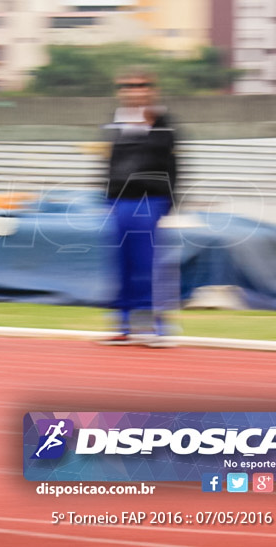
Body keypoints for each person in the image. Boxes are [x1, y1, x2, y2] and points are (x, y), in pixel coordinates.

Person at [101, 67, 179, 346]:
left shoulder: (162, 121)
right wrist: (107, 195)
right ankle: (123, 325)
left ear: (151, 89)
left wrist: (170, 201)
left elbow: (173, 165)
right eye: (128, 86)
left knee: (149, 265)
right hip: (120, 200)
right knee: (122, 265)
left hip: (150, 200)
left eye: (141, 85)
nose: (134, 90)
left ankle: (159, 327)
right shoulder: (117, 122)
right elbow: (109, 161)